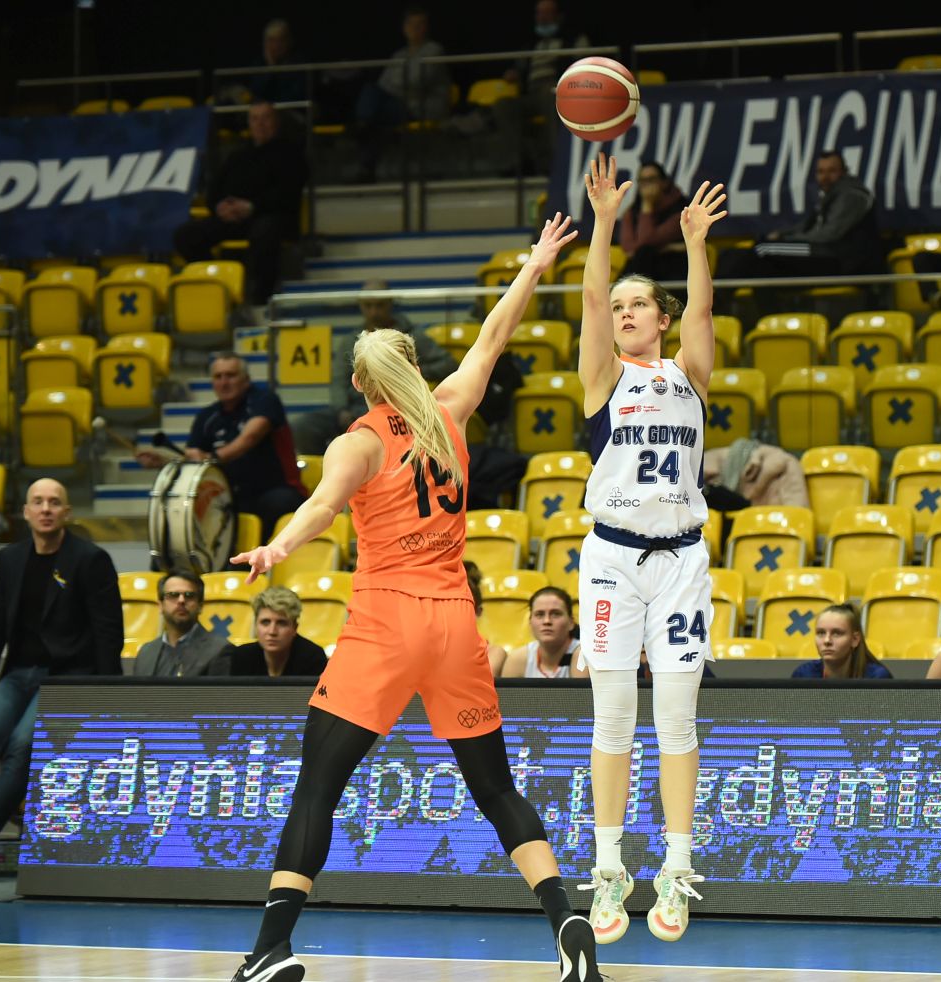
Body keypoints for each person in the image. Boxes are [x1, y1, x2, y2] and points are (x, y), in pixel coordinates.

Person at [222, 211, 598, 982]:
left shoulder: (357, 441)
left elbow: (321, 506)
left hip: (387, 619)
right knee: (495, 788)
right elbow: (494, 335)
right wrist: (534, 265)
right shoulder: (451, 411)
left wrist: (278, 548)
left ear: (360, 383)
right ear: (414, 368)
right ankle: (566, 919)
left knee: (317, 788)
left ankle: (269, 950)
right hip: (456, 621)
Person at [575, 152, 726, 945]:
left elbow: (703, 310)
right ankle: (608, 870)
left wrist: (695, 243)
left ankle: (676, 866)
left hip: (681, 563)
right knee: (612, 720)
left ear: (661, 318)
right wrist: (604, 223)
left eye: (639, 303)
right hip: (611, 560)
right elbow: (590, 296)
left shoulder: (688, 374)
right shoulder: (603, 378)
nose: (625, 311)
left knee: (675, 720)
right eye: (619, 305)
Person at [0, 479, 123, 873]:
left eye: (54, 502)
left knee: (22, 747)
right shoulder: (12, 558)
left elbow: (108, 633)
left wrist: (108, 694)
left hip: (66, 677)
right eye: (38, 502)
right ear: (26, 512)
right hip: (18, 673)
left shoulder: (90, 559)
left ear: (67, 512)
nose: (46, 508)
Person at [137, 353, 308, 536]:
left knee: (277, 503)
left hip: (275, 490)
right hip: (230, 496)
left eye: (231, 375)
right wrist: (164, 461)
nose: (224, 382)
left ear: (246, 379)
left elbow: (250, 437)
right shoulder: (207, 417)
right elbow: (194, 459)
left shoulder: (265, 400)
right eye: (218, 377)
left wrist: (213, 457)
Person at [714, 150, 883, 318]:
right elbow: (805, 227)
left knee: (761, 250)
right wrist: (781, 235)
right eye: (821, 172)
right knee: (759, 268)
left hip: (839, 260)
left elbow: (828, 235)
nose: (825, 177)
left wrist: (786, 239)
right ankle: (771, 322)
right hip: (824, 256)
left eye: (832, 171)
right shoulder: (831, 195)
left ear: (844, 172)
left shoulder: (851, 195)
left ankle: (713, 304)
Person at [293, 282, 454, 454]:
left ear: (390, 304)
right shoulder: (351, 340)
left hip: (398, 406)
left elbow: (448, 364)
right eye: (368, 306)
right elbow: (339, 380)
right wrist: (341, 410)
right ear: (360, 306)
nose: (374, 312)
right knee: (303, 426)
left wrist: (406, 372)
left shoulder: (410, 336)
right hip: (355, 407)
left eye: (379, 305)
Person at [172, 101, 307, 306]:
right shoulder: (238, 156)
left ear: (276, 122)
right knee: (185, 235)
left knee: (264, 232)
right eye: (255, 119)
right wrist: (219, 207)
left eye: (266, 118)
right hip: (234, 219)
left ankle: (260, 299)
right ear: (249, 124)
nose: (260, 124)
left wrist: (251, 207)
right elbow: (214, 191)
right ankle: (218, 282)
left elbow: (287, 194)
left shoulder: (291, 153)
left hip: (272, 217)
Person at [354, 7, 450, 183]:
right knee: (371, 92)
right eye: (411, 24)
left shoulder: (434, 50)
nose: (415, 28)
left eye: (419, 24)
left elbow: (418, 81)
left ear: (426, 27)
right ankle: (364, 127)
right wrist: (397, 87)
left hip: (421, 107)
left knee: (375, 117)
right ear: (404, 28)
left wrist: (396, 85)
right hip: (398, 105)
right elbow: (383, 85)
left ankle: (362, 127)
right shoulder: (399, 55)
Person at [498, 0, 591, 173]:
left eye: (547, 13)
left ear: (559, 16)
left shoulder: (574, 39)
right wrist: (514, 73)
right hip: (532, 94)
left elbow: (585, 66)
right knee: (503, 105)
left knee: (550, 96)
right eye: (539, 13)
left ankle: (557, 161)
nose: (542, 18)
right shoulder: (531, 44)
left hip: (559, 92)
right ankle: (519, 163)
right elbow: (519, 67)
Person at [132, 568, 234, 677]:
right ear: (160, 605)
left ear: (200, 606)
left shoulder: (219, 650)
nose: (181, 600)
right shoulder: (146, 652)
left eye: (189, 595)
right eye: (173, 595)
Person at [214, 586, 328, 678]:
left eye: (281, 623)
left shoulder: (313, 657)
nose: (272, 631)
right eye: (265, 622)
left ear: (295, 628)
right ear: (255, 625)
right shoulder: (242, 656)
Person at [619, 162, 687, 282]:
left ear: (664, 183)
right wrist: (668, 247)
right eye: (642, 180)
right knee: (643, 255)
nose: (646, 185)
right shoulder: (632, 212)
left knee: (645, 254)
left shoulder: (682, 210)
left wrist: (647, 205)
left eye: (651, 179)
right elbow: (628, 248)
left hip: (673, 269)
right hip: (642, 267)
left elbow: (647, 240)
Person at [499, 587, 587, 678]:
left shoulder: (583, 655)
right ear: (530, 622)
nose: (546, 621)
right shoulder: (518, 659)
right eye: (539, 614)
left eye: (556, 614)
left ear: (571, 622)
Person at [790, 604, 892, 679]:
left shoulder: (877, 677)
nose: (827, 641)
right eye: (821, 633)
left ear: (855, 639)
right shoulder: (803, 675)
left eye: (836, 633)